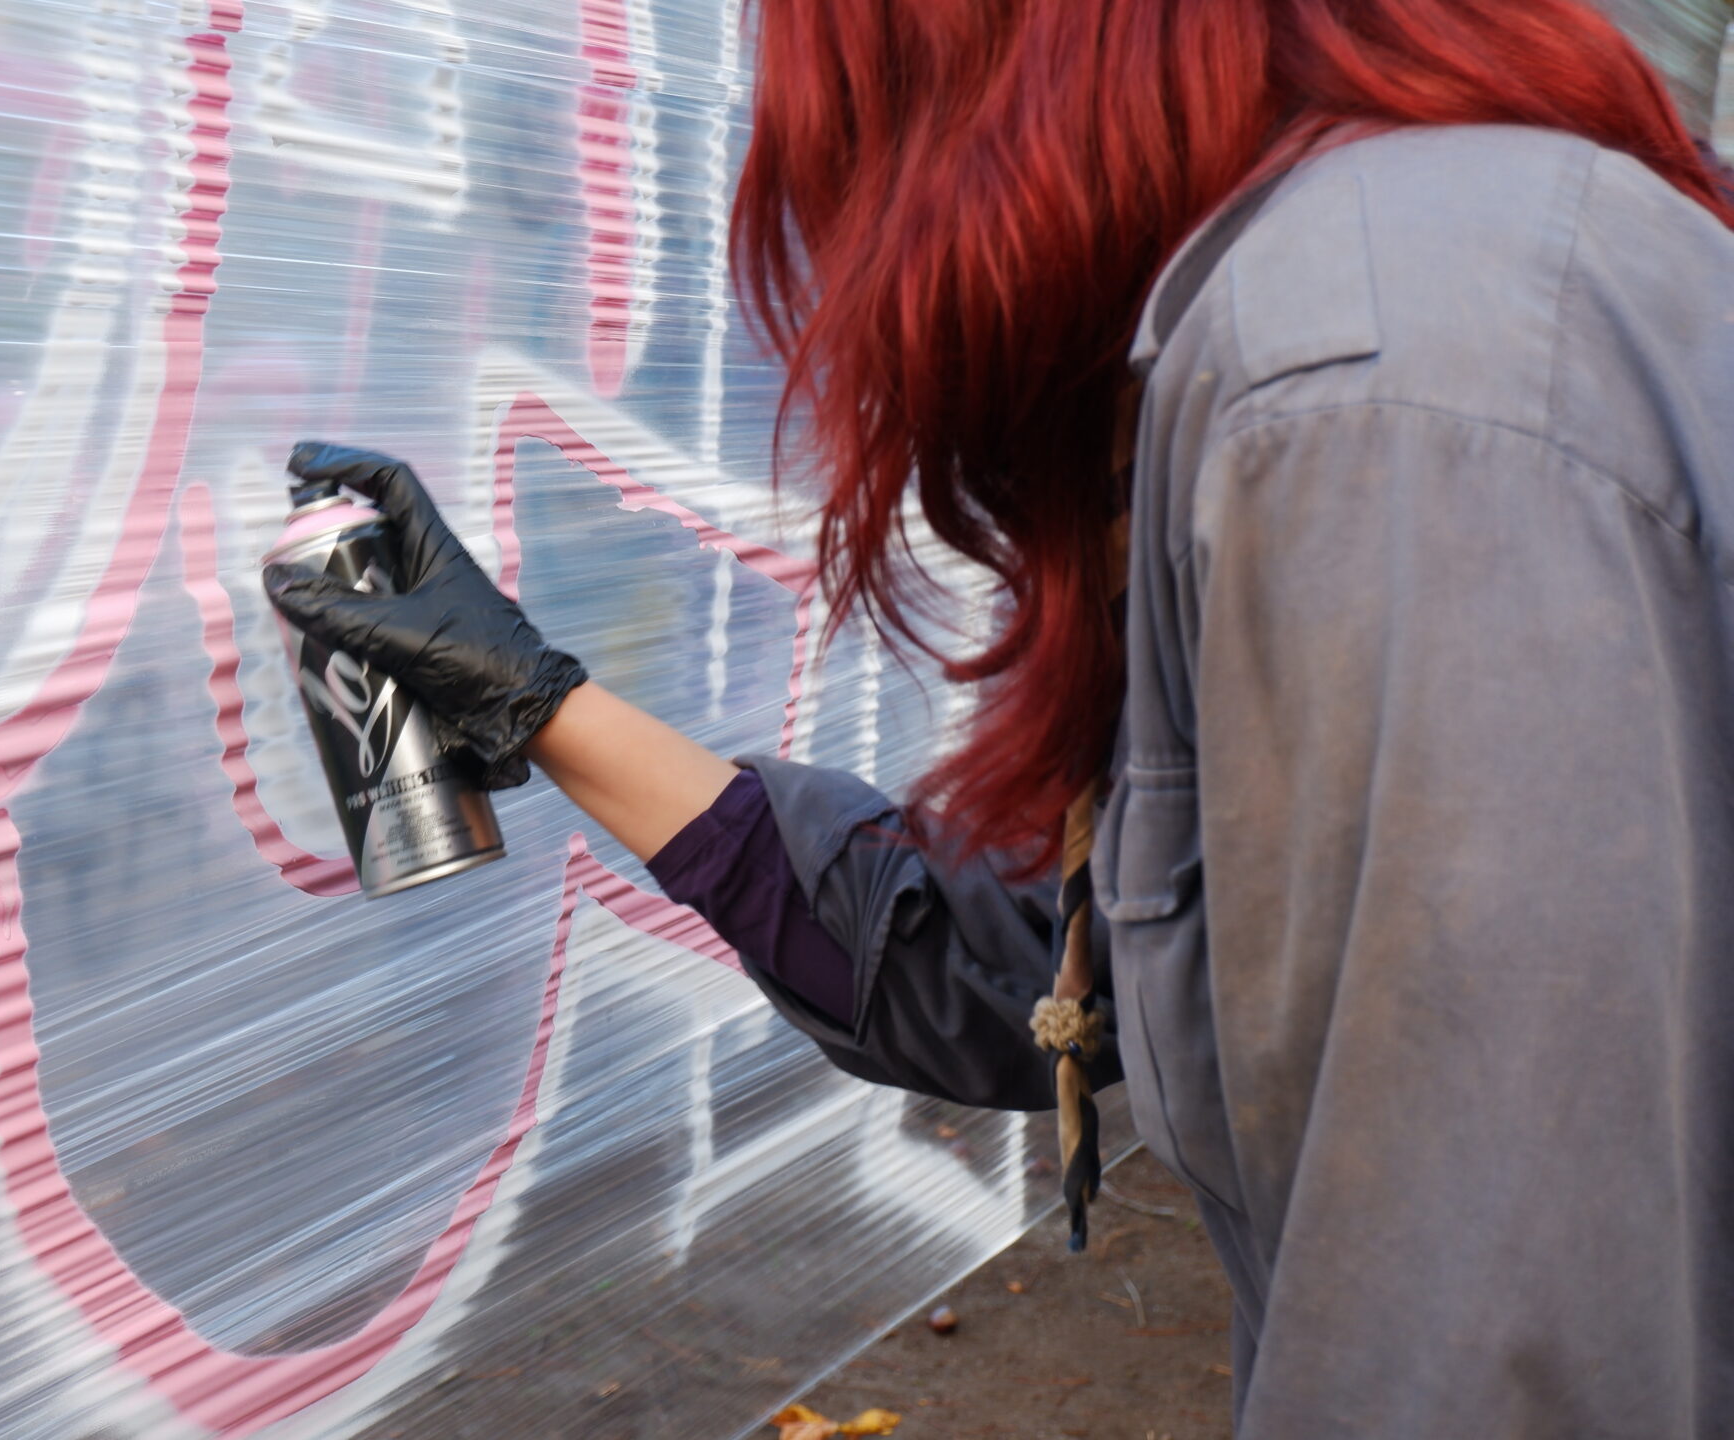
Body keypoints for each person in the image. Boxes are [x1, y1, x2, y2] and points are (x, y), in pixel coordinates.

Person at [265, 0, 1734, 1434]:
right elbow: (1057, 970)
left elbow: (1494, 1344)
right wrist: (538, 701)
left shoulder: (1374, 376)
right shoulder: (1383, 296)